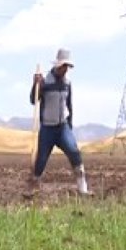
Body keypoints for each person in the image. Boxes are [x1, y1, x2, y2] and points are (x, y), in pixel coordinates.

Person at [29, 48, 89, 194]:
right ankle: (34, 188)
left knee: (75, 153)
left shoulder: (67, 83)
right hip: (47, 129)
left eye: (67, 67)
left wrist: (69, 124)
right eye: (63, 66)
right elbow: (33, 100)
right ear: (57, 65)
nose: (65, 70)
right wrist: (35, 85)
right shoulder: (45, 81)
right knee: (41, 160)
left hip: (63, 128)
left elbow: (70, 104)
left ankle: (83, 189)